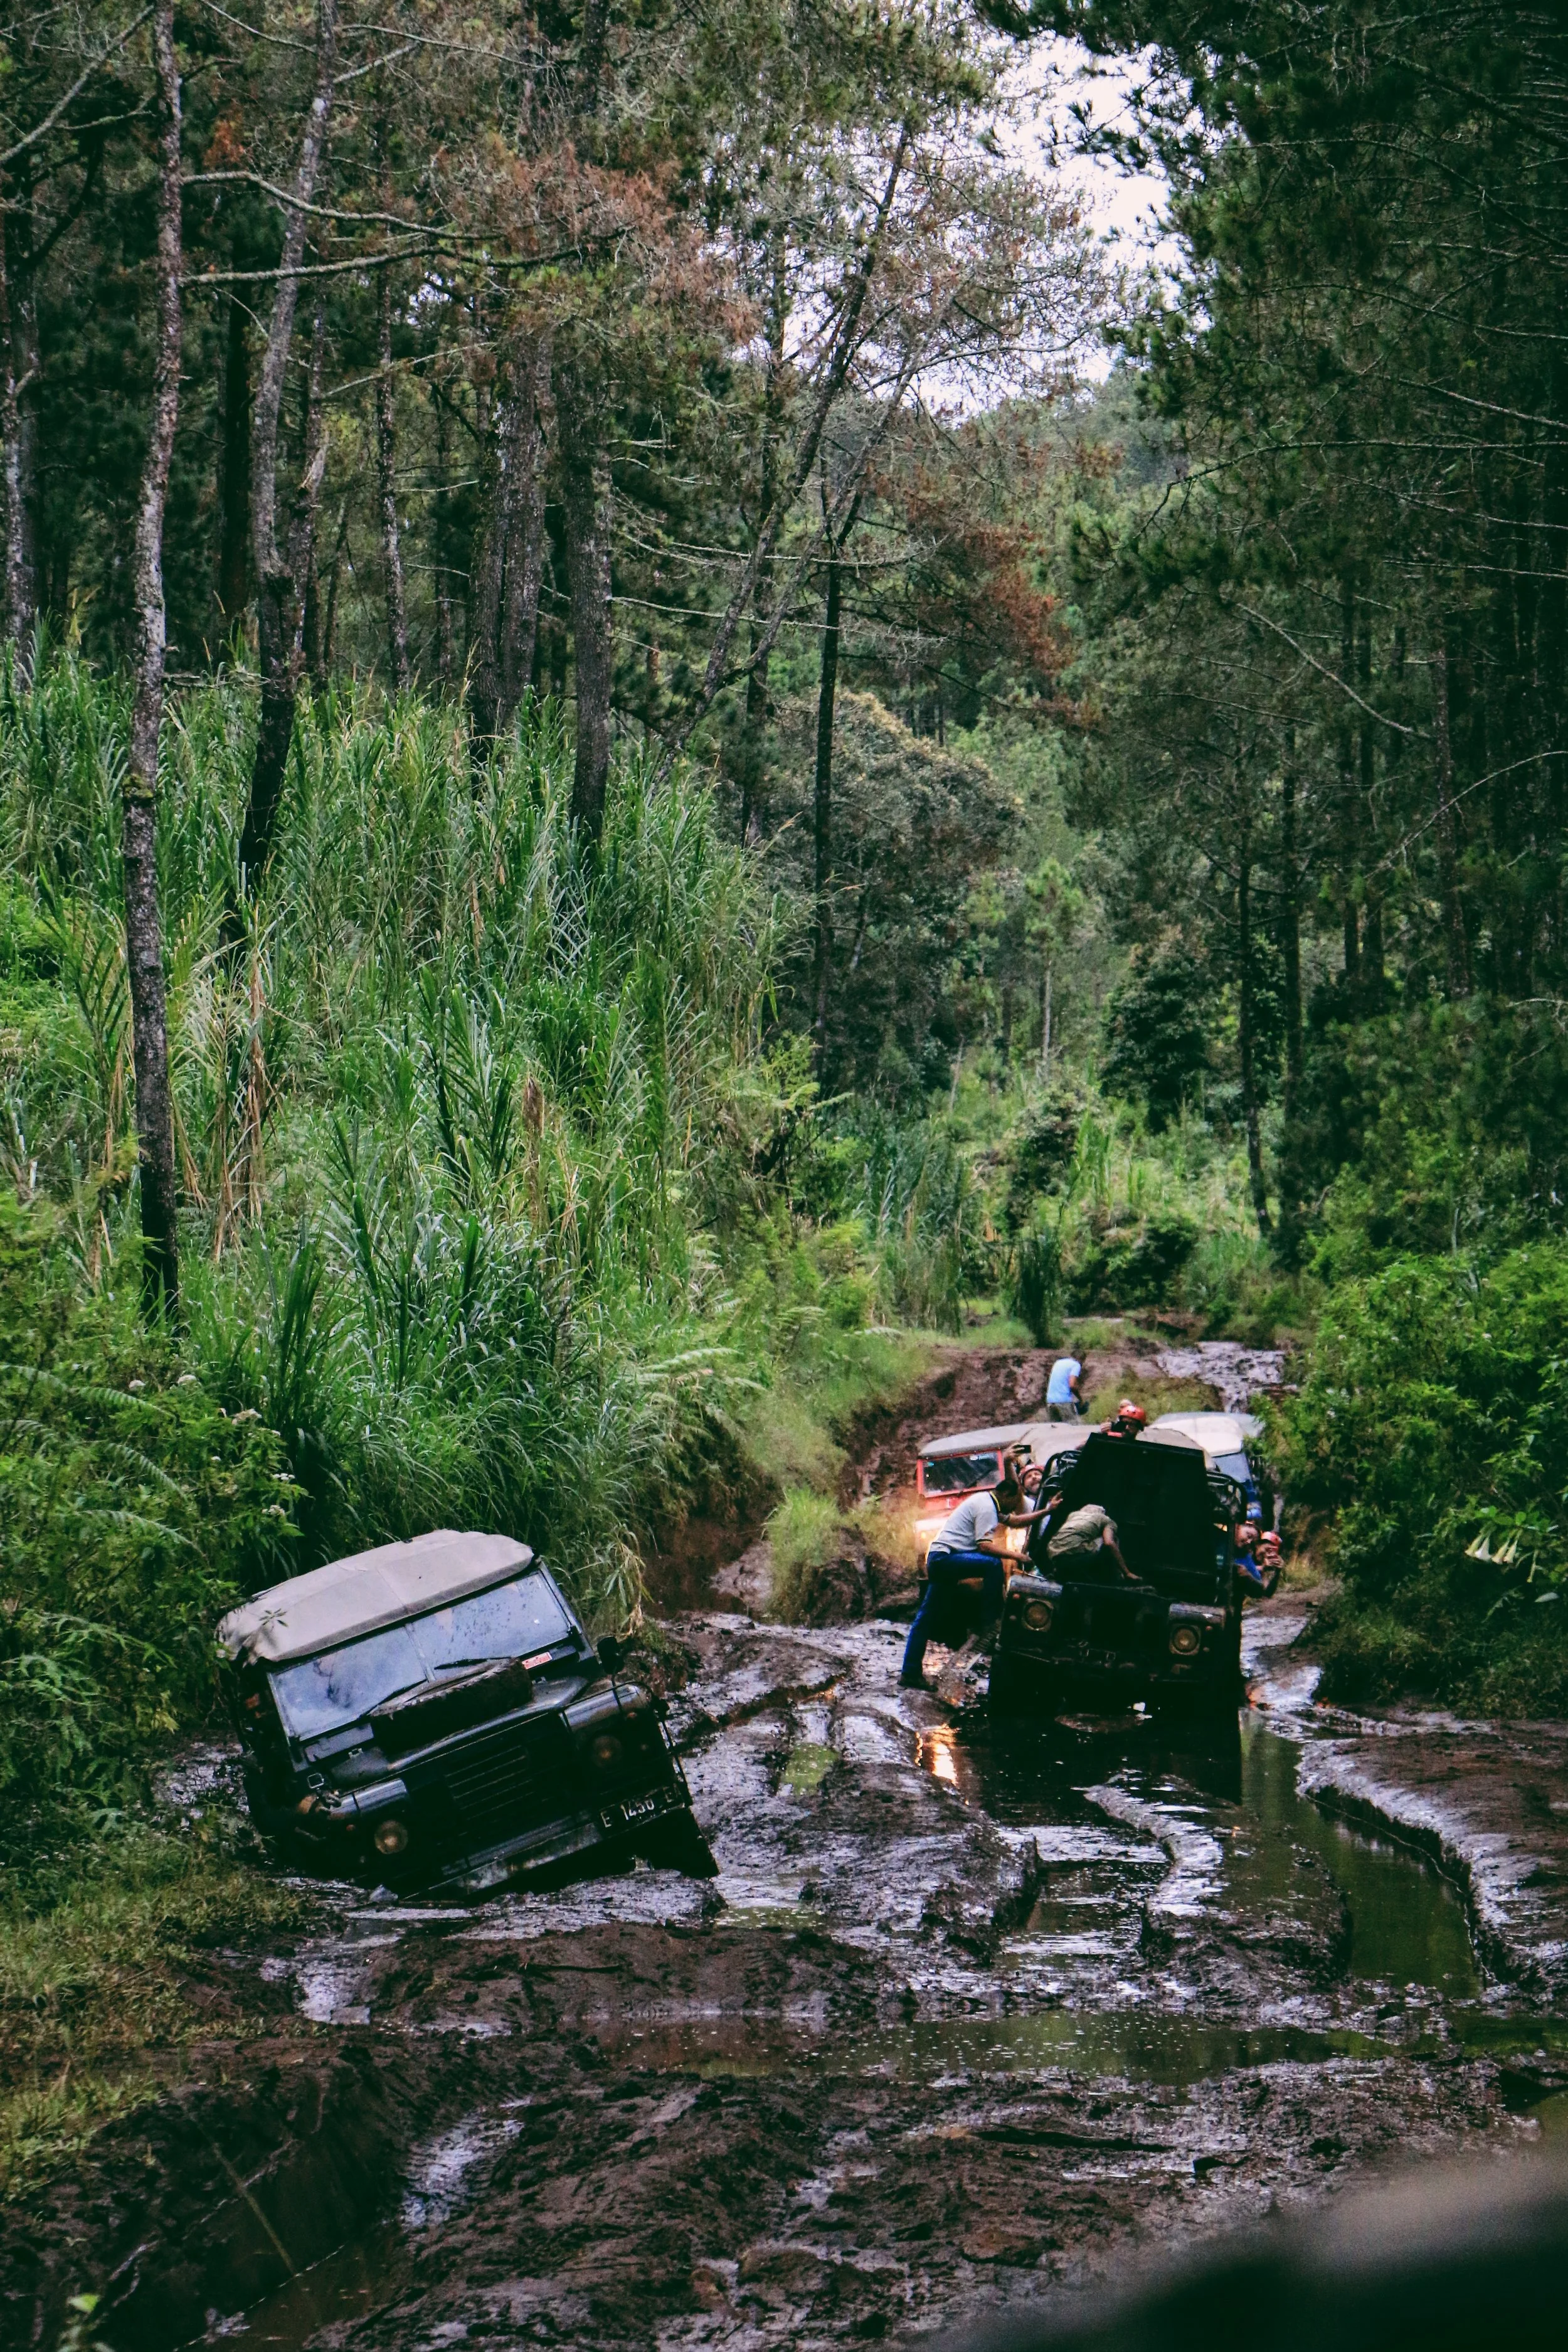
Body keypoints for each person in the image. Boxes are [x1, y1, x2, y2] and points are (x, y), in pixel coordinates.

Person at [901, 1454, 1044, 1690]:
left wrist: (1046, 1513)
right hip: (945, 1558)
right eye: (1014, 1501)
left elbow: (1018, 1521)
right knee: (992, 1564)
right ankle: (989, 1619)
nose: (1013, 1508)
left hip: (940, 1560)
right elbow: (984, 1547)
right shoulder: (987, 1506)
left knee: (925, 1619)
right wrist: (1018, 1557)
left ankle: (910, 1672)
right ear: (1006, 1495)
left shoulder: (989, 1503)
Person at [1046, 1500, 1140, 1584]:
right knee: (1112, 1539)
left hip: (1052, 1553)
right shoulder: (1105, 1520)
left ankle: (1058, 1571)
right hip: (1075, 1555)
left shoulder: (1073, 1515)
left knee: (1075, 1539)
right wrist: (1127, 1572)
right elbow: (1109, 1543)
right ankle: (1114, 1577)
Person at [1045, 1351, 1086, 1421]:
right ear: (1082, 1360)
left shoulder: (1058, 1362)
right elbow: (1072, 1385)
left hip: (1050, 1401)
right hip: (1064, 1402)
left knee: (1055, 1430)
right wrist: (1080, 1399)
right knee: (1073, 1428)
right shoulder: (1076, 1365)